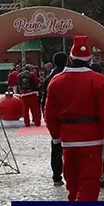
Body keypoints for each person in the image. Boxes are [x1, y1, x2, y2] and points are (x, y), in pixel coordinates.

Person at [43, 36, 104, 201]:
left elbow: (49, 113)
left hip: (68, 140)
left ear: (70, 57)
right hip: (92, 140)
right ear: (90, 59)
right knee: (89, 184)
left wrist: (56, 137)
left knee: (72, 184)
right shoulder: (98, 80)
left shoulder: (56, 81)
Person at [39, 51, 68, 186]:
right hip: (69, 117)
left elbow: (43, 100)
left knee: (56, 146)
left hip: (55, 117)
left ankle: (57, 175)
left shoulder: (48, 78)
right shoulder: (68, 76)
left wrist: (46, 117)